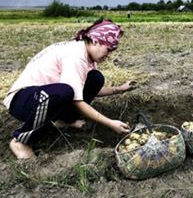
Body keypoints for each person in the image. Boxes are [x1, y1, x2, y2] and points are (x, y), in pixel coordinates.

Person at [3, 19, 136, 159]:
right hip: (21, 100)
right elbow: (76, 100)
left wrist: (119, 89)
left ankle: (64, 120)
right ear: (96, 41)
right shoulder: (76, 56)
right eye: (109, 49)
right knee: (64, 92)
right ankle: (21, 141)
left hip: (43, 96)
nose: (109, 55)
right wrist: (110, 123)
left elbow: (83, 87)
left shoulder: (86, 55)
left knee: (95, 78)